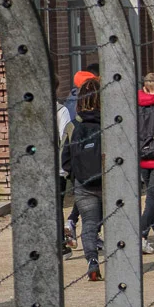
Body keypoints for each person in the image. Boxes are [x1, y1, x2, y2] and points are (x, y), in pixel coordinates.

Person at [60, 77, 104, 280]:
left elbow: (65, 159)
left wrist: (76, 175)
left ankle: (92, 260)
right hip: (108, 182)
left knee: (89, 223)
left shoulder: (72, 126)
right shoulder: (111, 123)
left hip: (84, 184)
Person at [63, 69, 97, 251]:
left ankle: (73, 221)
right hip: (89, 159)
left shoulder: (71, 101)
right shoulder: (89, 103)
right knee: (94, 208)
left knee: (86, 201)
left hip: (78, 164)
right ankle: (73, 221)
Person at [137, 73, 154, 254]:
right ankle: (142, 235)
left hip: (141, 156)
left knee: (153, 197)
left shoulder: (135, 103)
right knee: (153, 199)